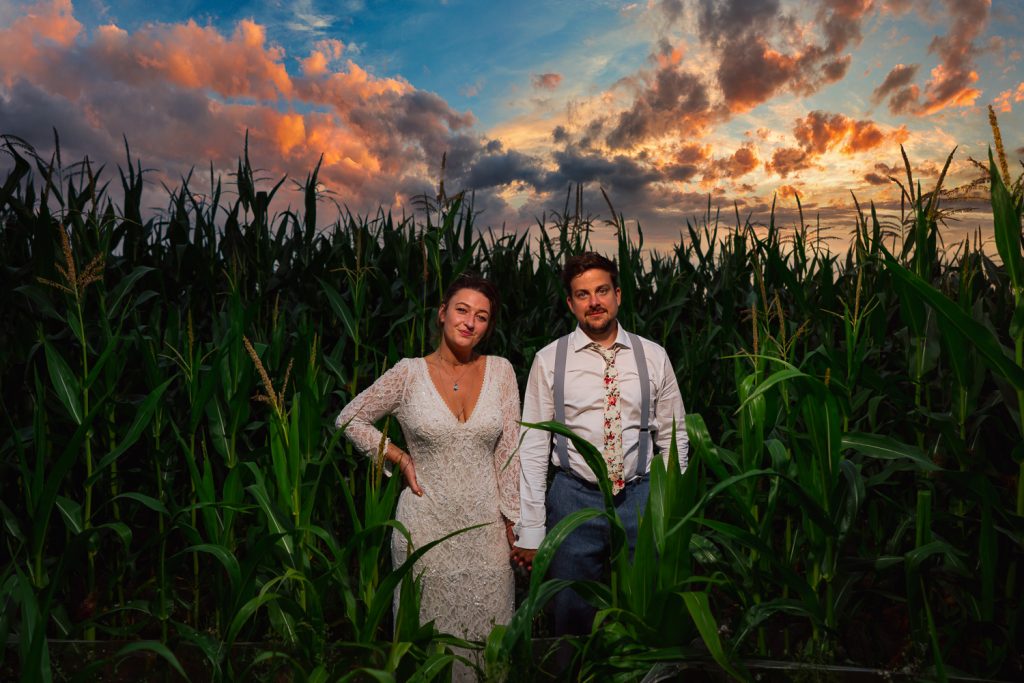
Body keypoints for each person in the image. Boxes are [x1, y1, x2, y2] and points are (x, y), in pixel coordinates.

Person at [336, 274, 521, 680]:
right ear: (442, 313)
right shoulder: (408, 374)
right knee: (426, 653)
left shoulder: (502, 372)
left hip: (486, 535)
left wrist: (514, 525)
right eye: (462, 310)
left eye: (482, 316)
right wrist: (399, 457)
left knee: (488, 651)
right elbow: (349, 417)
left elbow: (510, 455)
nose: (470, 322)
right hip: (424, 532)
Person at [512, 252, 688, 637]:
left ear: (618, 295)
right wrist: (531, 529)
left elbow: (675, 435)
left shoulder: (654, 356)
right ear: (570, 303)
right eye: (582, 294)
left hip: (642, 497)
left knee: (646, 611)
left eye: (602, 290)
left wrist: (675, 504)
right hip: (573, 499)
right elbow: (534, 446)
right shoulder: (549, 360)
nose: (594, 301)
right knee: (572, 615)